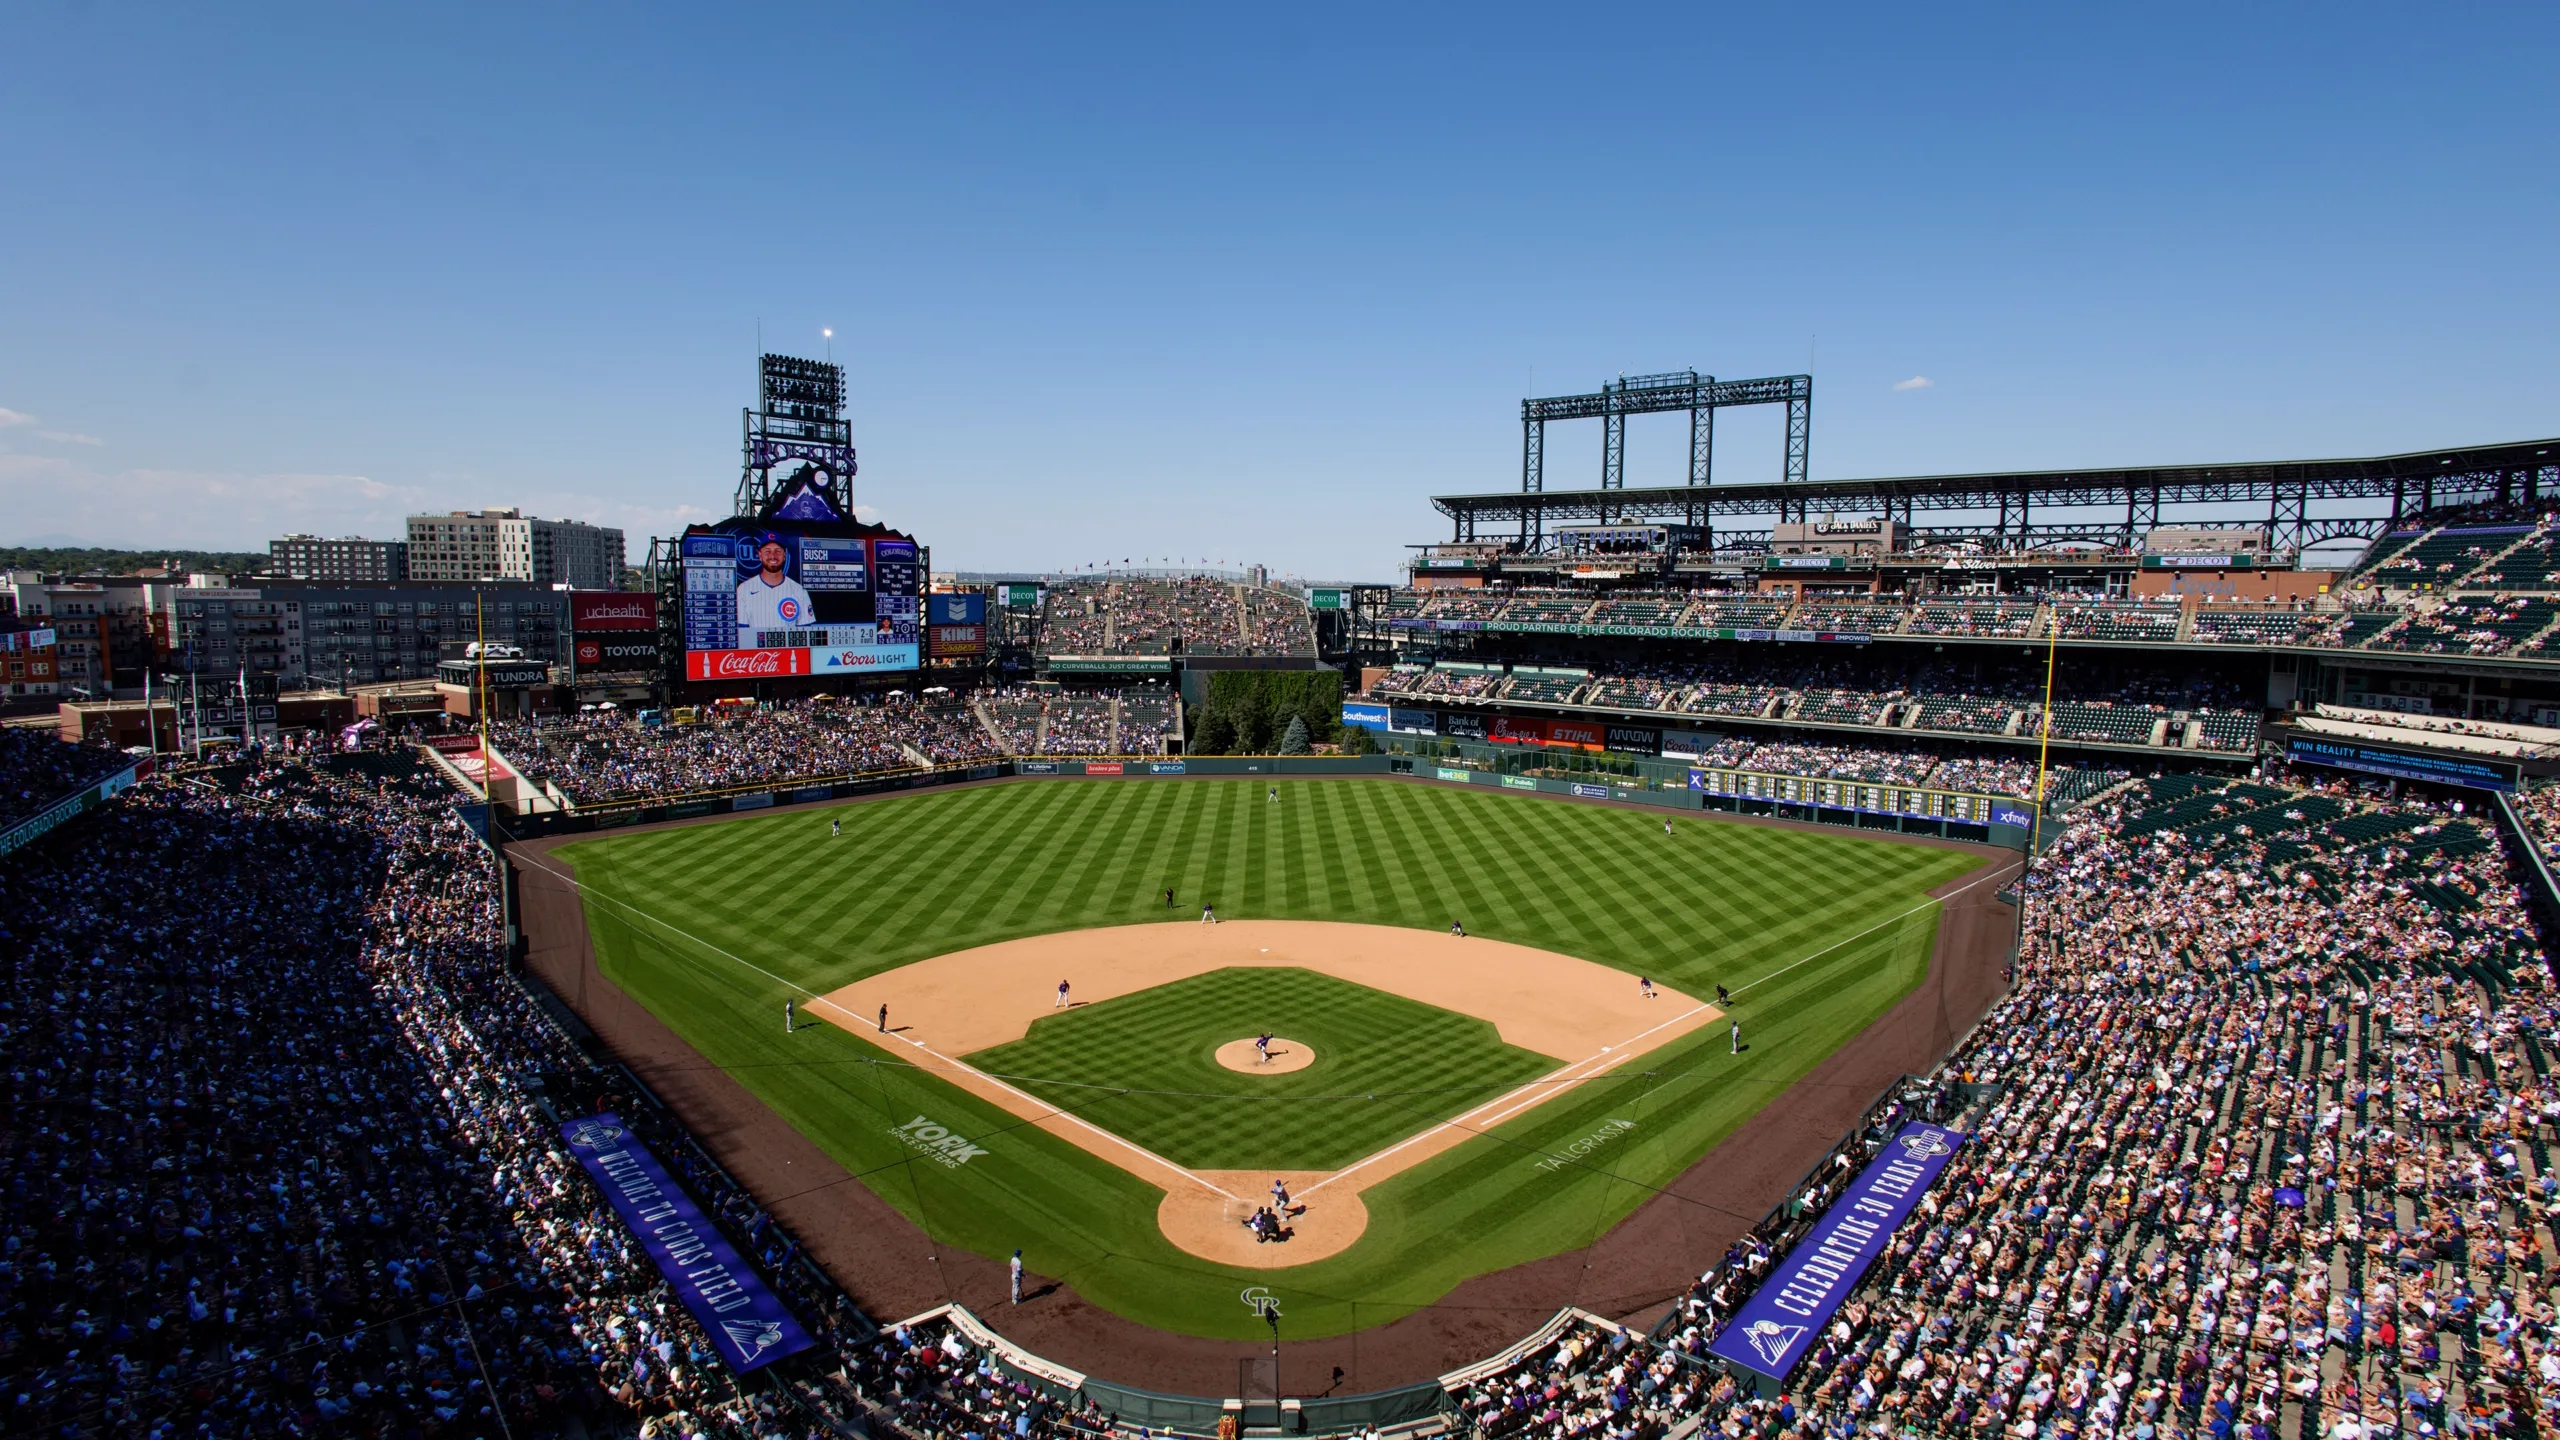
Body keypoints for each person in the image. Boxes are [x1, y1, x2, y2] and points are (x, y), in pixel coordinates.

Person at [734, 532, 817, 646]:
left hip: (789, 656)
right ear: (760, 555)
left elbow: (806, 634)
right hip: (757, 658)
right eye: (767, 551)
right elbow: (741, 634)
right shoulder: (744, 590)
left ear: (784, 556)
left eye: (777, 551)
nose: (772, 556)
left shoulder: (799, 591)